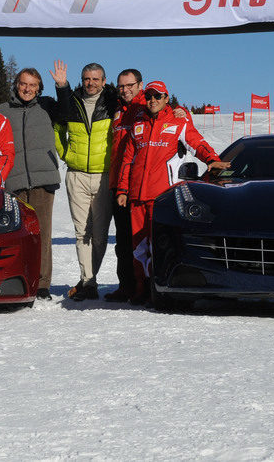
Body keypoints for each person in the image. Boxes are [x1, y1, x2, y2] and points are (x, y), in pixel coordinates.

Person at [116, 81, 230, 305]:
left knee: (159, 246)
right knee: (138, 248)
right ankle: (141, 290)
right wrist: (122, 189)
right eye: (149, 96)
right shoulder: (138, 124)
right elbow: (127, 161)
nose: (153, 100)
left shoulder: (178, 121)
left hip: (163, 198)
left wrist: (212, 160)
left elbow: (196, 143)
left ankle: (159, 289)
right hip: (137, 197)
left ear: (167, 98)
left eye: (158, 96)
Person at [105, 68, 189, 303]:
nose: (125, 89)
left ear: (139, 86)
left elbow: (179, 123)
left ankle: (152, 286)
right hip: (124, 186)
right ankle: (128, 286)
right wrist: (121, 187)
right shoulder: (117, 110)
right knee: (125, 242)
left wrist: (184, 114)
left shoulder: (147, 105)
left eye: (130, 85)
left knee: (153, 240)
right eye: (121, 86)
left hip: (152, 189)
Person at [0, 63, 67, 300]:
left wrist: (62, 85)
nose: (27, 89)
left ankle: (42, 284)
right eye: (24, 84)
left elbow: (68, 111)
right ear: (16, 85)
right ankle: (16, 279)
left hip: (42, 179)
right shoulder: (2, 110)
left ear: (39, 88)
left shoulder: (47, 106)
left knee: (42, 234)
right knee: (16, 235)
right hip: (13, 182)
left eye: (33, 85)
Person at [53, 62, 117, 301]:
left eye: (95, 79)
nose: (90, 83)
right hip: (77, 175)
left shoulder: (111, 102)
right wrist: (66, 154)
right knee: (82, 233)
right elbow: (57, 128)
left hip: (104, 175)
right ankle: (89, 282)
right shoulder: (73, 102)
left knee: (99, 235)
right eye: (86, 79)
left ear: (103, 80)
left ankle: (89, 279)